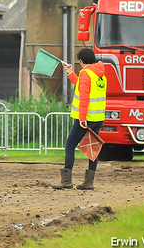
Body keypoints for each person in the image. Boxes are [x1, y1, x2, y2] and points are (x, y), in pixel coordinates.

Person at [53, 48, 107, 191]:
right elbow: (82, 87)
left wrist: (82, 118)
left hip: (85, 118)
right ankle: (89, 182)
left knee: (70, 146)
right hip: (98, 118)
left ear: (81, 61)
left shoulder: (85, 74)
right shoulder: (100, 74)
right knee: (92, 150)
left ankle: (66, 181)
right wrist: (70, 73)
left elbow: (84, 97)